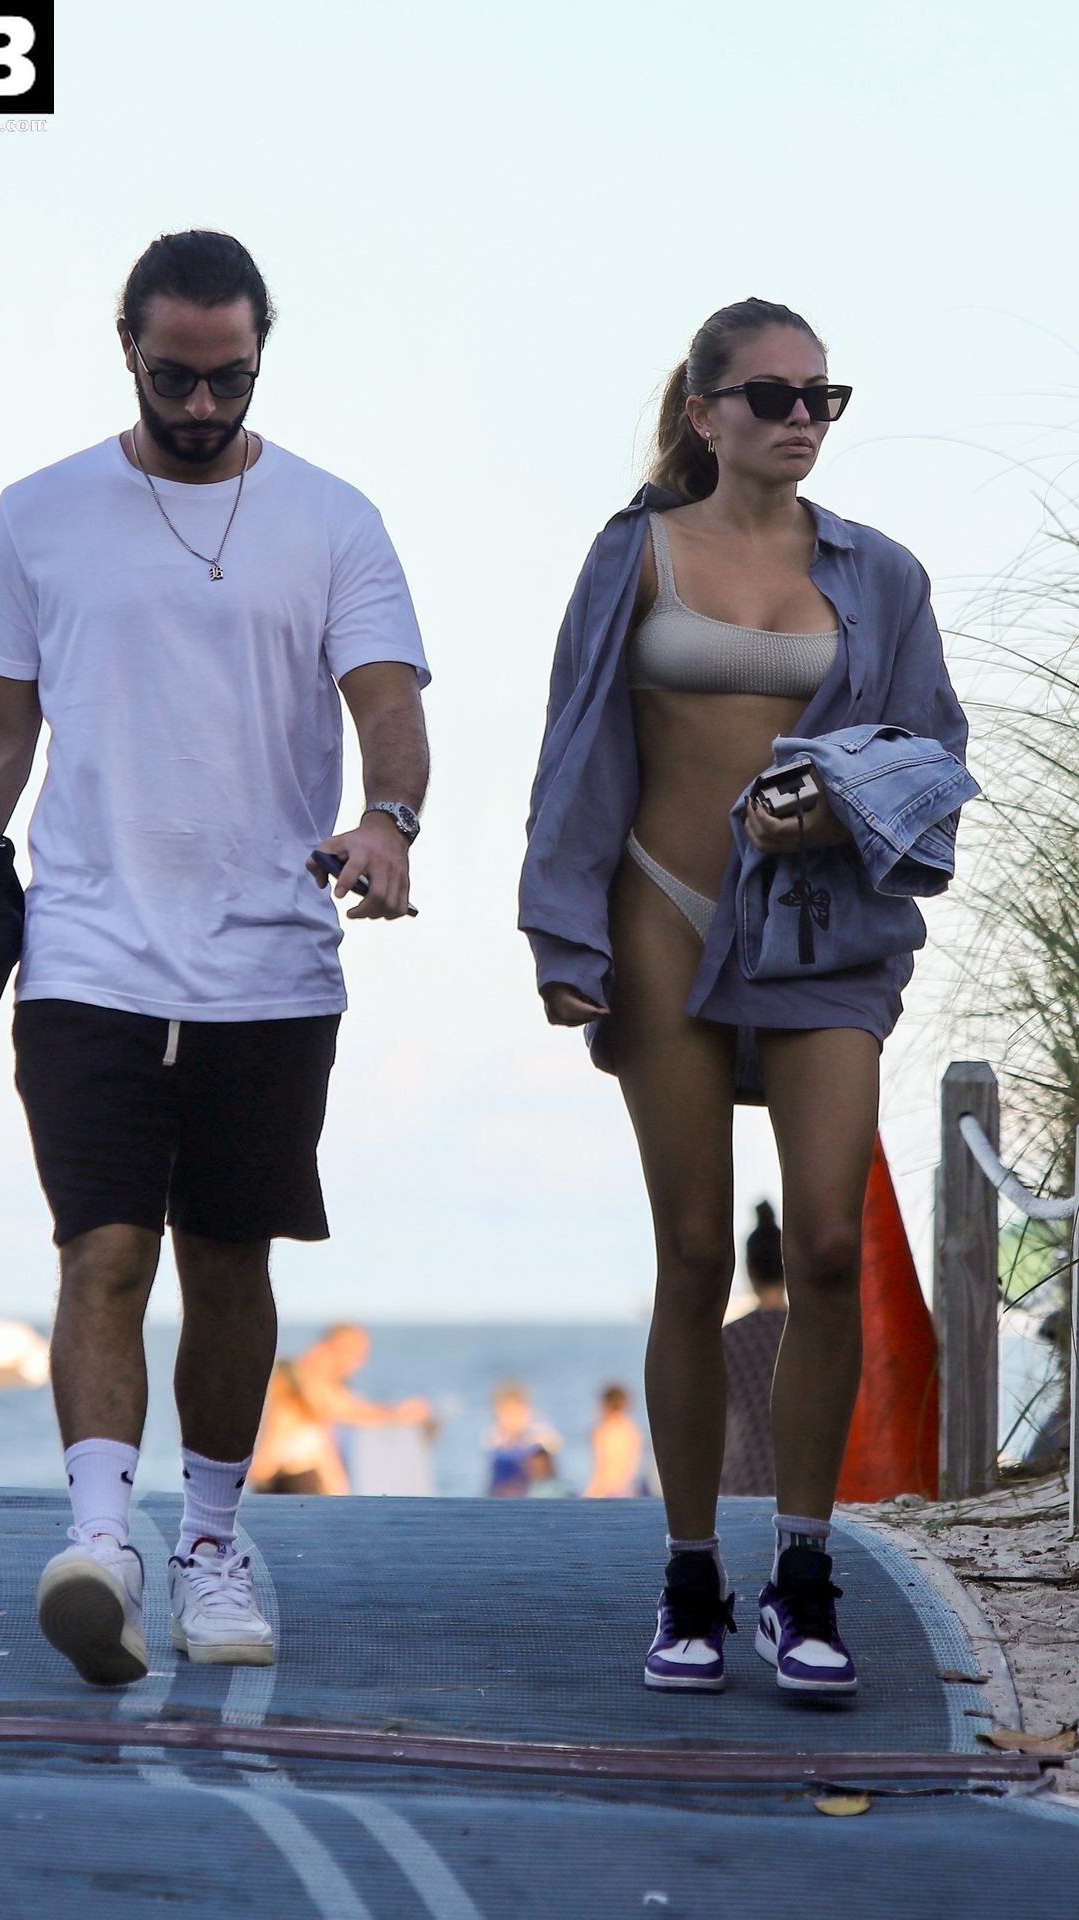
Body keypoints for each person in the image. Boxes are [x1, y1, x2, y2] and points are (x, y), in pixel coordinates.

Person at [0, 230, 430, 1686]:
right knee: (105, 1249)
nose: (201, 404)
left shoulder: (333, 519)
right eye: (176, 376)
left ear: (262, 355)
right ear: (126, 347)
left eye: (229, 378)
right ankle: (99, 1544)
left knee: (230, 1260)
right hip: (86, 950)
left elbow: (388, 702)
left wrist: (386, 823)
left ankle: (207, 1541)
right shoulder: (38, 515)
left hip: (270, 960)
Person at [520, 297, 971, 1696]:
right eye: (770, 395)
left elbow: (932, 755)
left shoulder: (879, 573)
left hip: (820, 926)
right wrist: (560, 931)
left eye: (819, 398)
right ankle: (688, 1578)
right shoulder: (635, 553)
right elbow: (573, 739)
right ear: (703, 411)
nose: (799, 418)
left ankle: (804, 1571)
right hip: (659, 905)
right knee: (694, 1250)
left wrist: (831, 809)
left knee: (825, 1244)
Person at [289, 1323, 432, 1487]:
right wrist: (397, 1415)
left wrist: (398, 1413)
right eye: (356, 1354)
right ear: (334, 1347)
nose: (360, 1362)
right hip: (295, 1482)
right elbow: (344, 1410)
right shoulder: (307, 1377)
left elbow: (351, 1407)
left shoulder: (317, 1377)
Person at [720, 1203, 788, 1496]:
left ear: (748, 1268)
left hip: (743, 1475)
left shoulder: (730, 1338)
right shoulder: (807, 1336)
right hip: (804, 1479)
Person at [249, 1361, 350, 1495]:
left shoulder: (283, 1411)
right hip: (310, 1483)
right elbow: (329, 1463)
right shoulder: (310, 1413)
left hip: (286, 1485)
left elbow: (267, 1463)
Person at [483, 1381, 562, 1496]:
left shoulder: (537, 1436)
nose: (512, 1420)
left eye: (516, 1413)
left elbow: (553, 1444)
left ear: (527, 1411)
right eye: (507, 1414)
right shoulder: (496, 1439)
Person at [584, 1384, 650, 1498]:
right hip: (629, 1489)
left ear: (606, 1405)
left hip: (607, 1491)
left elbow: (603, 1467)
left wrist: (589, 1494)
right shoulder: (633, 1430)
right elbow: (632, 1468)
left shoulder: (604, 1430)